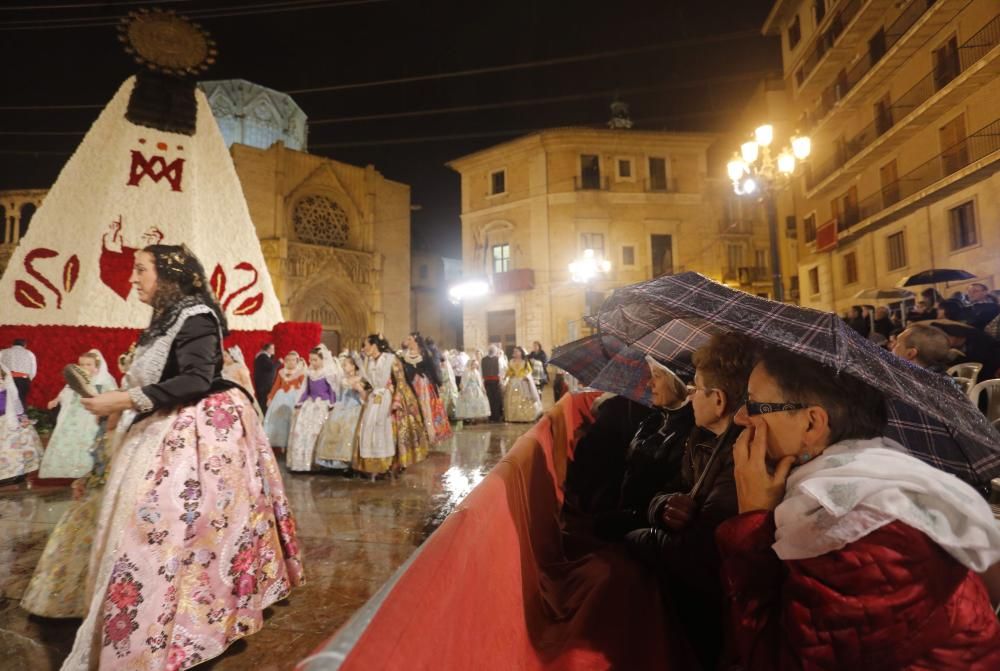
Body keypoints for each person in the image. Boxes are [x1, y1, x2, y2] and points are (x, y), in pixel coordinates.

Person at [62, 244, 302, 669]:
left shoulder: (196, 316)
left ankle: (180, 622)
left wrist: (124, 400)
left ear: (170, 275)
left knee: (174, 528)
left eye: (140, 270)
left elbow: (195, 379)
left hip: (191, 434)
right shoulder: (167, 319)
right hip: (158, 426)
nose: (132, 278)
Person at [718, 346, 1000, 670]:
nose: (740, 416)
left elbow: (772, 658)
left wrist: (750, 522)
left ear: (812, 424)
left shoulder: (858, 534)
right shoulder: (863, 473)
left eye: (753, 403)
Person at [624, 333, 756, 670]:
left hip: (713, 609)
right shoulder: (701, 438)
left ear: (719, 400)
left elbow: (700, 553)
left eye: (696, 389)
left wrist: (637, 538)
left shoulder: (742, 454)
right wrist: (664, 507)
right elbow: (669, 490)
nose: (691, 396)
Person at [21, 346, 132, 619]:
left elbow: (110, 444)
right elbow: (102, 447)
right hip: (101, 482)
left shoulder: (120, 404)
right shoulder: (112, 413)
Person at [38, 350, 115, 479]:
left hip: (91, 415)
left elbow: (112, 395)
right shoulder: (77, 379)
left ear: (97, 366)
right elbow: (65, 392)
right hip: (73, 415)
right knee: (68, 438)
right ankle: (65, 469)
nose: (85, 367)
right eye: (82, 364)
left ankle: (86, 471)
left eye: (89, 364)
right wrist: (56, 400)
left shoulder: (104, 380)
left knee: (88, 440)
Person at [286, 345, 341, 472]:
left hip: (322, 405)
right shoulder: (309, 373)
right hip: (309, 404)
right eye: (310, 360)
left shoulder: (328, 373)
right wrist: (299, 403)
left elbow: (332, 391)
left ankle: (316, 462)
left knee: (316, 431)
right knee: (302, 430)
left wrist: (332, 405)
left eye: (315, 360)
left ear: (323, 360)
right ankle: (301, 463)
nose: (312, 363)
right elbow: (306, 390)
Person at [354, 335, 398, 478]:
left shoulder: (389, 359)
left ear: (374, 346)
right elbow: (368, 382)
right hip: (373, 398)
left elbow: (400, 381)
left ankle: (385, 466)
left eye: (366, 345)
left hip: (385, 397)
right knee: (368, 427)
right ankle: (370, 465)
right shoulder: (368, 361)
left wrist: (396, 399)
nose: (363, 348)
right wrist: (361, 387)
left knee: (382, 428)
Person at [316, 353, 368, 471]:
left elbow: (365, 396)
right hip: (341, 406)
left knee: (348, 429)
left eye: (346, 365)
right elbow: (338, 395)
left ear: (354, 366)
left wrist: (359, 390)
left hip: (354, 407)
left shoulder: (360, 379)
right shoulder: (343, 380)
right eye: (343, 365)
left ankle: (345, 461)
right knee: (332, 425)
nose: (344, 367)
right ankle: (330, 460)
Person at [402, 333, 452, 444]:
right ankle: (417, 437)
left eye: (409, 339)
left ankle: (430, 435)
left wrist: (439, 383)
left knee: (427, 409)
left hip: (424, 385)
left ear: (416, 341)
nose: (407, 341)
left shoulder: (425, 354)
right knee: (414, 410)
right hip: (411, 385)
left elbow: (433, 369)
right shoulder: (404, 355)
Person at [0, 363, 43, 482]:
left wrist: (21, 416)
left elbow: (15, 400)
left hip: (7, 418)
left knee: (14, 444)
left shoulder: (6, 384)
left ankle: (17, 471)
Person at [263, 351, 307, 450]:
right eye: (288, 360)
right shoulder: (281, 372)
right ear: (285, 361)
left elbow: (304, 387)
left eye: (293, 360)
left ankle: (291, 443)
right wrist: (270, 397)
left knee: (291, 419)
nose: (291, 362)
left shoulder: (300, 372)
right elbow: (276, 386)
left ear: (297, 361)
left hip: (294, 398)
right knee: (279, 419)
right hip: (281, 398)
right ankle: (281, 442)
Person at [503, 346, 543, 422]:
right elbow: (509, 371)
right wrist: (507, 376)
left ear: (521, 353)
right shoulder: (511, 362)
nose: (515, 353)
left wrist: (526, 376)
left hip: (523, 382)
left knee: (524, 398)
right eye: (514, 351)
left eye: (517, 351)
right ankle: (513, 417)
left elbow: (530, 370)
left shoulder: (525, 362)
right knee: (513, 399)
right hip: (513, 381)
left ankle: (525, 416)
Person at [0, 338, 37, 408]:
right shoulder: (29, 353)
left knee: (5, 401)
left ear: (12, 344)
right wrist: (28, 379)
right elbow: (33, 370)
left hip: (7, 379)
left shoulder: (3, 352)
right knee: (21, 400)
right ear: (25, 345)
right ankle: (21, 418)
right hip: (23, 380)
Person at [455, 356, 491, 422]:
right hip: (469, 389)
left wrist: (482, 388)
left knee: (477, 402)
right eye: (473, 364)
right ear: (470, 364)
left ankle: (475, 417)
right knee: (469, 402)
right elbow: (464, 381)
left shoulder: (476, 372)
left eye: (475, 364)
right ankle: (469, 417)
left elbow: (479, 381)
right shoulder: (467, 372)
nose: (475, 365)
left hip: (476, 389)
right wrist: (463, 389)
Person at [481, 345, 504, 422]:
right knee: (491, 399)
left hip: (494, 381)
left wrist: (500, 381)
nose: (492, 350)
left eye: (492, 349)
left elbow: (500, 371)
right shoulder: (484, 359)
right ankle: (492, 417)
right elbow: (481, 372)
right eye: (491, 349)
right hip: (490, 381)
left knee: (495, 399)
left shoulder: (497, 359)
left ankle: (495, 417)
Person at [253, 343, 277, 413]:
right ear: (267, 349)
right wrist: (279, 362)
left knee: (264, 403)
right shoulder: (263, 356)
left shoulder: (263, 356)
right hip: (264, 385)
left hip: (263, 384)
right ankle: (264, 419)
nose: (273, 350)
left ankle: (263, 418)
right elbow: (271, 367)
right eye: (272, 348)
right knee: (264, 403)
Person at [439, 352, 459, 420]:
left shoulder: (448, 367)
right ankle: (444, 415)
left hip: (449, 386)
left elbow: (451, 377)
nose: (443, 363)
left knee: (452, 400)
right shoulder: (440, 367)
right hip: (444, 386)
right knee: (444, 401)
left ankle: (453, 414)